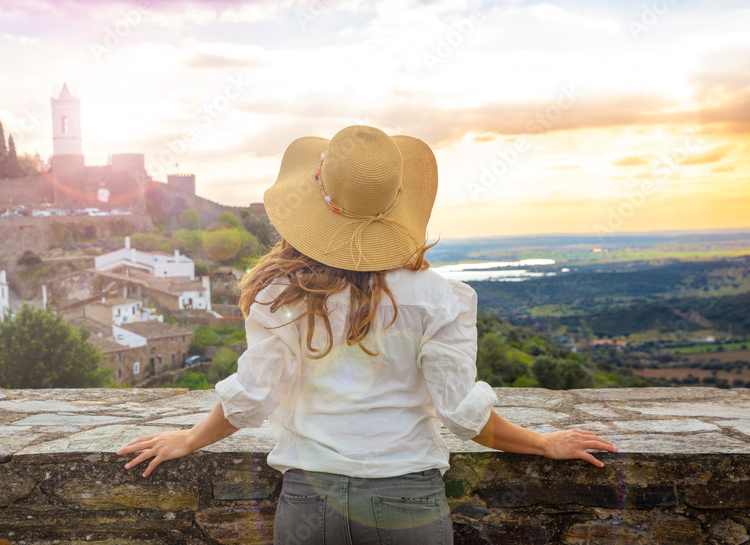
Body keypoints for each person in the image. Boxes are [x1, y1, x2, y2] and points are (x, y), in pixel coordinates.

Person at [117, 125, 617, 543]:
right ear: (400, 205)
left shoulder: (278, 296)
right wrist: (543, 443)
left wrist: (189, 438)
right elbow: (464, 416)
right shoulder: (440, 298)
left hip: (309, 502)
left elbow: (251, 398)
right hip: (408, 506)